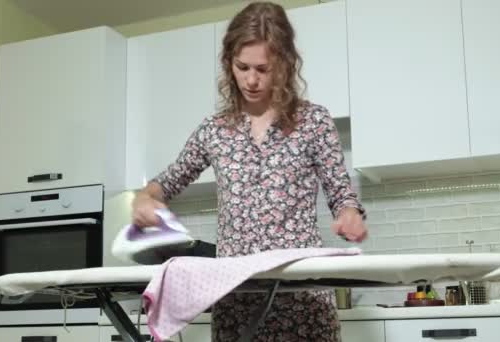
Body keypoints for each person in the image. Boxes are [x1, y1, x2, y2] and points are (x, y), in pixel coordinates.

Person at [131, 2, 368, 341]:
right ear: (229, 63)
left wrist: (349, 213)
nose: (252, 80)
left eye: (263, 68)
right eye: (242, 67)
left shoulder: (314, 121)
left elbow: (341, 193)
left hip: (301, 298)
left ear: (285, 65)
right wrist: (145, 198)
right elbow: (165, 183)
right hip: (236, 301)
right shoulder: (214, 130)